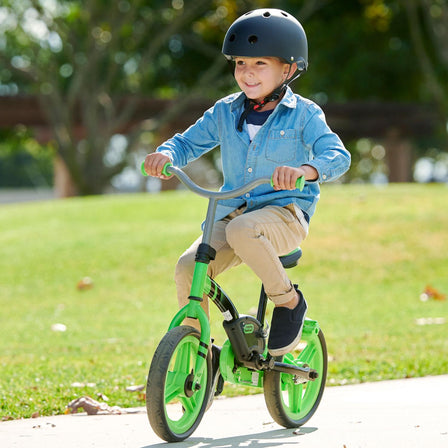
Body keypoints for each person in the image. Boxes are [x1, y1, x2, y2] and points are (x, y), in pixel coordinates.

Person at [144, 9, 351, 360]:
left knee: (243, 229)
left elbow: (337, 154)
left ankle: (288, 302)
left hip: (284, 214)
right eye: (240, 63)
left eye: (259, 63)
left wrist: (307, 169)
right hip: (235, 212)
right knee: (188, 266)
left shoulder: (304, 114)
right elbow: (186, 144)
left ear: (288, 68)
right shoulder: (224, 112)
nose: (247, 72)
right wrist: (166, 155)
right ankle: (199, 354)